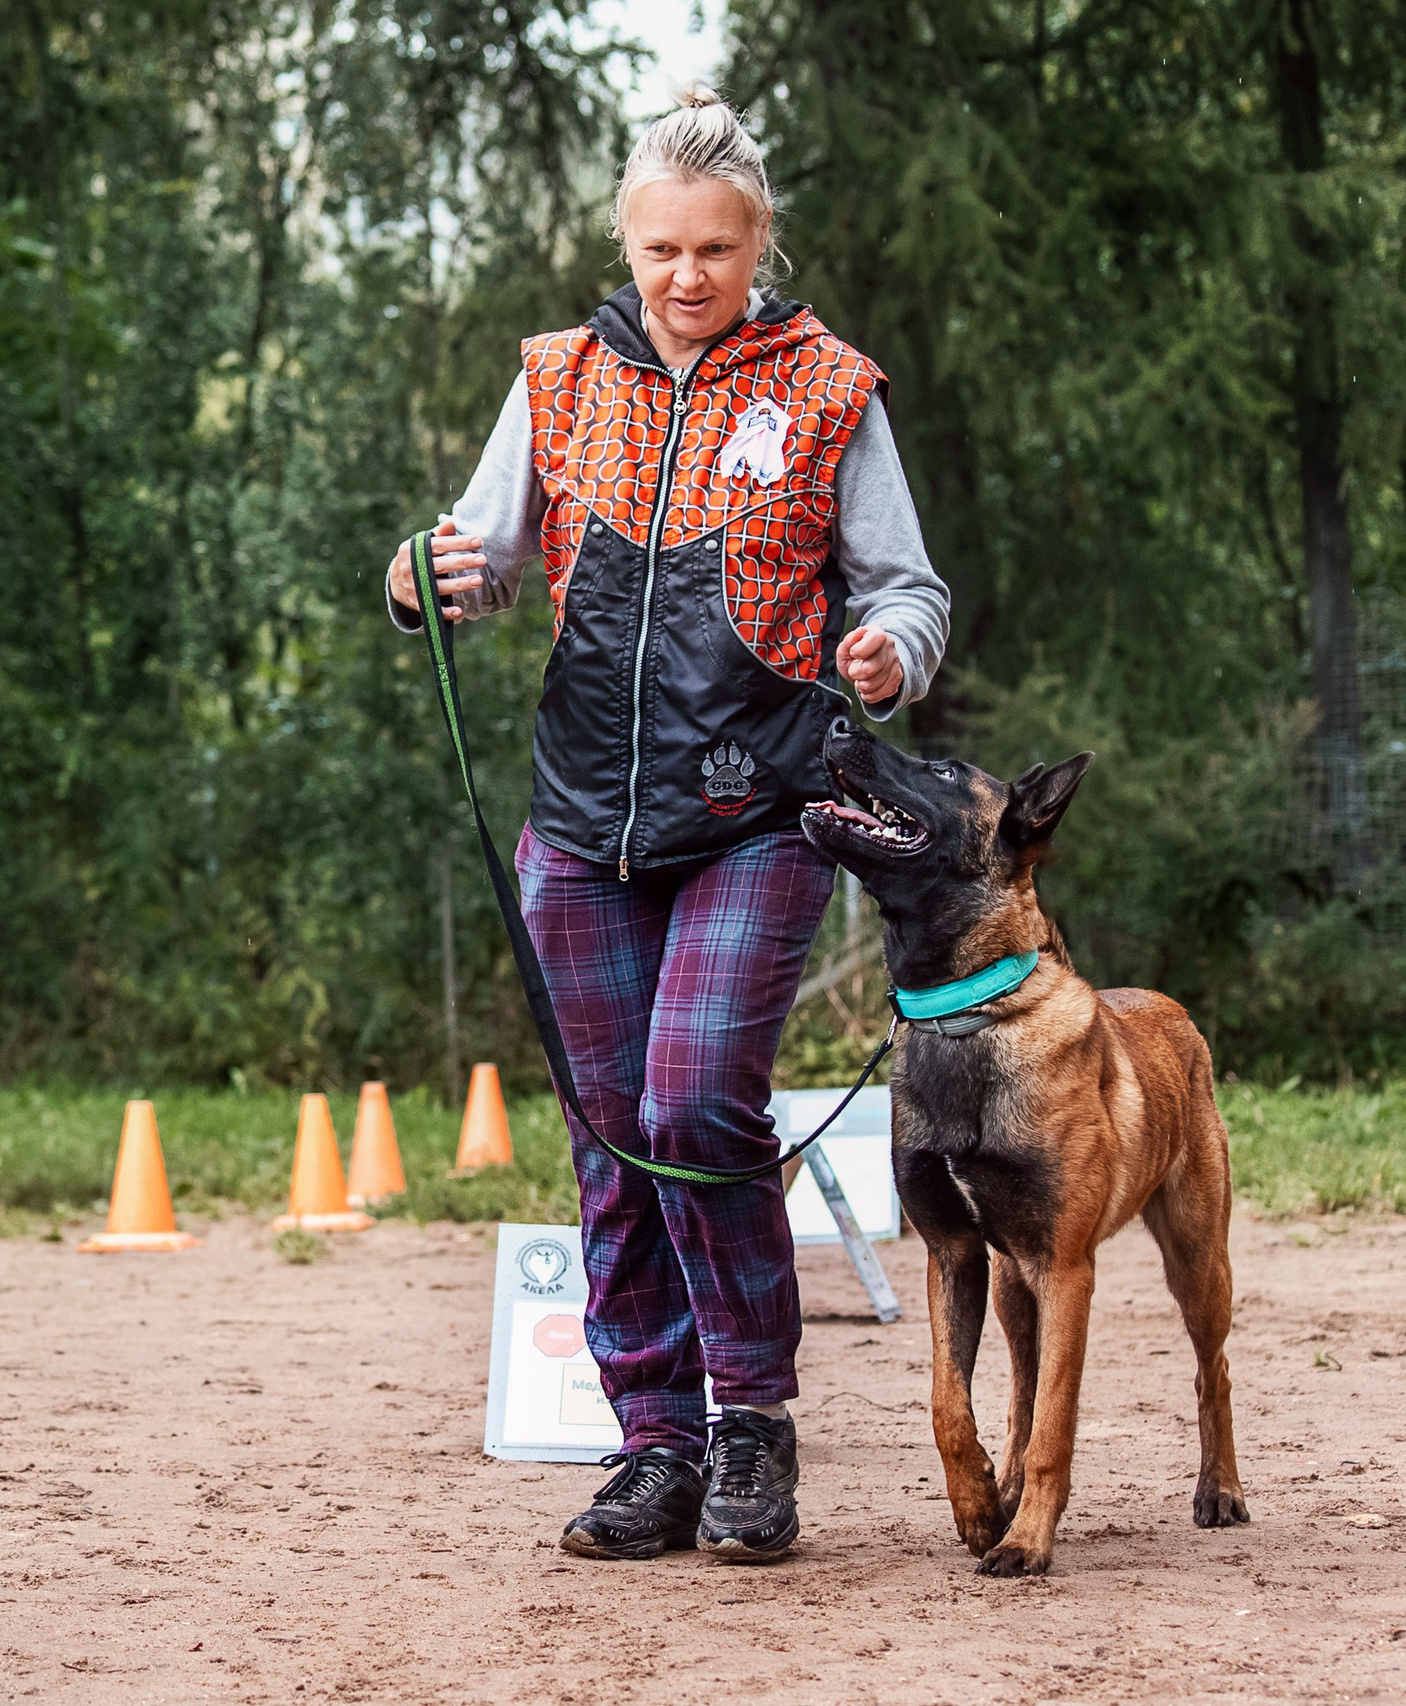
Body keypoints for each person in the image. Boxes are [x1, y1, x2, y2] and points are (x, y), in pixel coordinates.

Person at [386, 86, 949, 1562]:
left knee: (698, 1098)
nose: (686, 276)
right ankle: (656, 1445)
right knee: (610, 1132)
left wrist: (891, 647)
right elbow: (485, 555)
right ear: (625, 243)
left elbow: (907, 589)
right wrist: (424, 574)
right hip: (578, 824)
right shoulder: (560, 375)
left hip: (759, 808)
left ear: (760, 238)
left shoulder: (831, 388)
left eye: (715, 248)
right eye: (660, 249)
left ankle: (754, 1417)